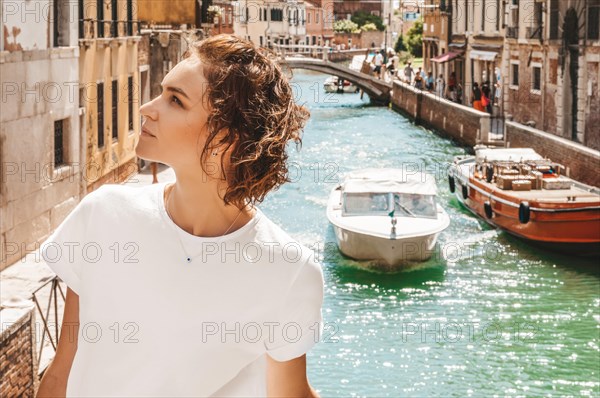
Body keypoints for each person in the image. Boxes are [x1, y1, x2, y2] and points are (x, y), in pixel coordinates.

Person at [37, 34, 324, 397]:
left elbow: (290, 394)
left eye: (175, 100)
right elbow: (63, 370)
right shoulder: (101, 215)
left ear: (225, 137)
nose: (147, 108)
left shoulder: (289, 271)